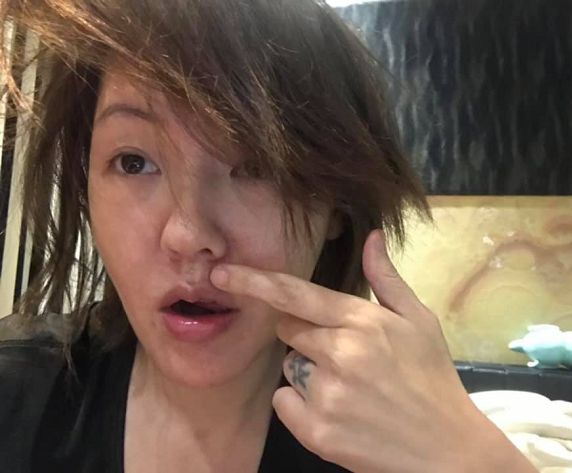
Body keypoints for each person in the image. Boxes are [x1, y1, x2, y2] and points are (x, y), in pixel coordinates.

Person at [0, 1, 538, 472]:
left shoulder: (394, 446)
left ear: (336, 206)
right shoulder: (16, 389)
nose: (188, 234)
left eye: (258, 166)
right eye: (134, 161)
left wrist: (470, 460)